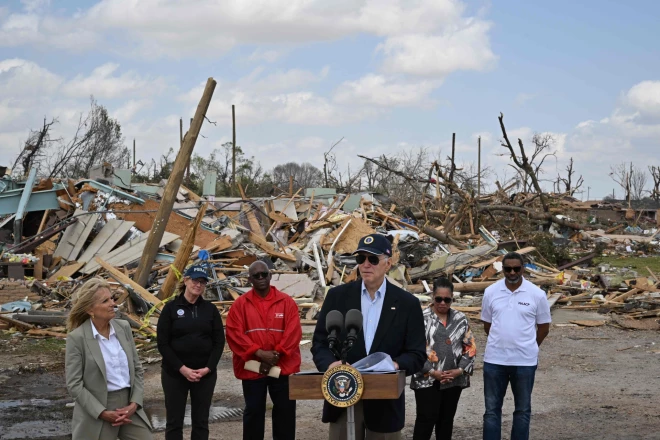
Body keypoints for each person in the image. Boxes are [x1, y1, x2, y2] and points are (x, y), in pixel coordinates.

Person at [312, 233, 426, 440]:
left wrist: (395, 365)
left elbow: (417, 353)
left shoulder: (407, 304)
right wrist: (328, 365)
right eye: (360, 259)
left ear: (388, 263)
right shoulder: (337, 297)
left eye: (373, 259)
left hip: (385, 401)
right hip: (342, 393)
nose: (365, 264)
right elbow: (320, 342)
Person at [65, 278, 152, 440]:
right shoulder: (77, 338)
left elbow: (137, 369)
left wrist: (134, 403)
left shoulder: (123, 328)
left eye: (112, 298)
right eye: (105, 301)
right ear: (91, 310)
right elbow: (74, 384)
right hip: (98, 410)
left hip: (129, 405)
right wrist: (102, 412)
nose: (113, 303)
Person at [225, 261, 302, 440]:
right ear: (249, 279)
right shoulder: (240, 305)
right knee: (254, 412)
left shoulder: (286, 302)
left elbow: (293, 332)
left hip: (281, 368)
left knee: (285, 412)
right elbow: (234, 334)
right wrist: (259, 353)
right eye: (256, 276)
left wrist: (278, 353)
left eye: (264, 274)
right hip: (254, 368)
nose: (261, 278)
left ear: (270, 275)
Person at [481, 252, 551, 440]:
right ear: (502, 269)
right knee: (491, 411)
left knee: (522, 410)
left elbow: (544, 327)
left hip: (525, 363)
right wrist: (502, 343)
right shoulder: (491, 292)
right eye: (507, 269)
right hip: (494, 361)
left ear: (523, 269)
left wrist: (529, 347)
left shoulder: (537, 294)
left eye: (516, 268)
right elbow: (487, 325)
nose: (512, 272)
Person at [157, 265, 225, 440]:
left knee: (201, 421)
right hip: (175, 374)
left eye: (202, 282)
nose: (198, 285)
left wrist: (208, 368)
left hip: (204, 375)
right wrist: (182, 369)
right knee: (174, 421)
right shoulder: (170, 309)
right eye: (195, 280)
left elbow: (219, 342)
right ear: (186, 280)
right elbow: (163, 343)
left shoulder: (210, 310)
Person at [410, 277, 477, 440]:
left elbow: (470, 347)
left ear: (452, 299)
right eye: (439, 299)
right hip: (427, 378)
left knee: (446, 422)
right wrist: (432, 371)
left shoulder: (460, 318)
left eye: (447, 300)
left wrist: (460, 370)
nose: (442, 303)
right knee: (425, 420)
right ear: (433, 297)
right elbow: (413, 349)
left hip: (453, 380)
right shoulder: (420, 318)